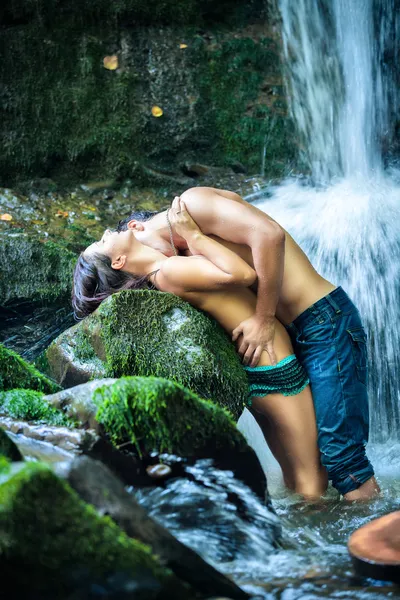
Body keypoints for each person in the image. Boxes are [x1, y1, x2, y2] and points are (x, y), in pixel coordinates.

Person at [112, 187, 380, 502]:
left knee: (342, 457)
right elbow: (235, 201)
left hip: (323, 320)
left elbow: (269, 234)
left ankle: (377, 543)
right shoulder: (176, 257)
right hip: (297, 331)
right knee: (321, 462)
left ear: (136, 228)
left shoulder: (190, 207)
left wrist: (264, 318)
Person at [73, 197, 328, 499]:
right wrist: (193, 235)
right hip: (273, 365)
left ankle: (296, 529)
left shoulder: (164, 272)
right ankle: (314, 533)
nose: (106, 232)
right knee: (313, 474)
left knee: (293, 471)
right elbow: (243, 274)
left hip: (253, 368)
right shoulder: (167, 271)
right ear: (117, 262)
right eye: (102, 242)